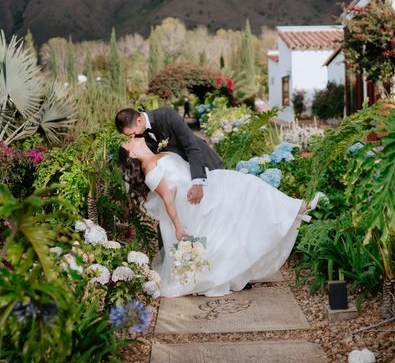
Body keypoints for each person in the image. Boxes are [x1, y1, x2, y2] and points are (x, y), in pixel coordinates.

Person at [119, 137, 322, 298]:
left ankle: (295, 208)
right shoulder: (151, 170)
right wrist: (178, 227)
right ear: (132, 153)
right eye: (129, 142)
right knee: (250, 190)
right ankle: (296, 209)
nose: (133, 138)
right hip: (198, 202)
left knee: (252, 187)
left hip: (210, 183)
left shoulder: (157, 155)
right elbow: (168, 201)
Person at [115, 107, 223, 204]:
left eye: (132, 133)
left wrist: (198, 183)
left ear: (139, 121)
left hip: (203, 162)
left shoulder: (167, 115)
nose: (133, 137)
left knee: (221, 198)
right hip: (184, 175)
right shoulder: (142, 135)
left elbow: (191, 146)